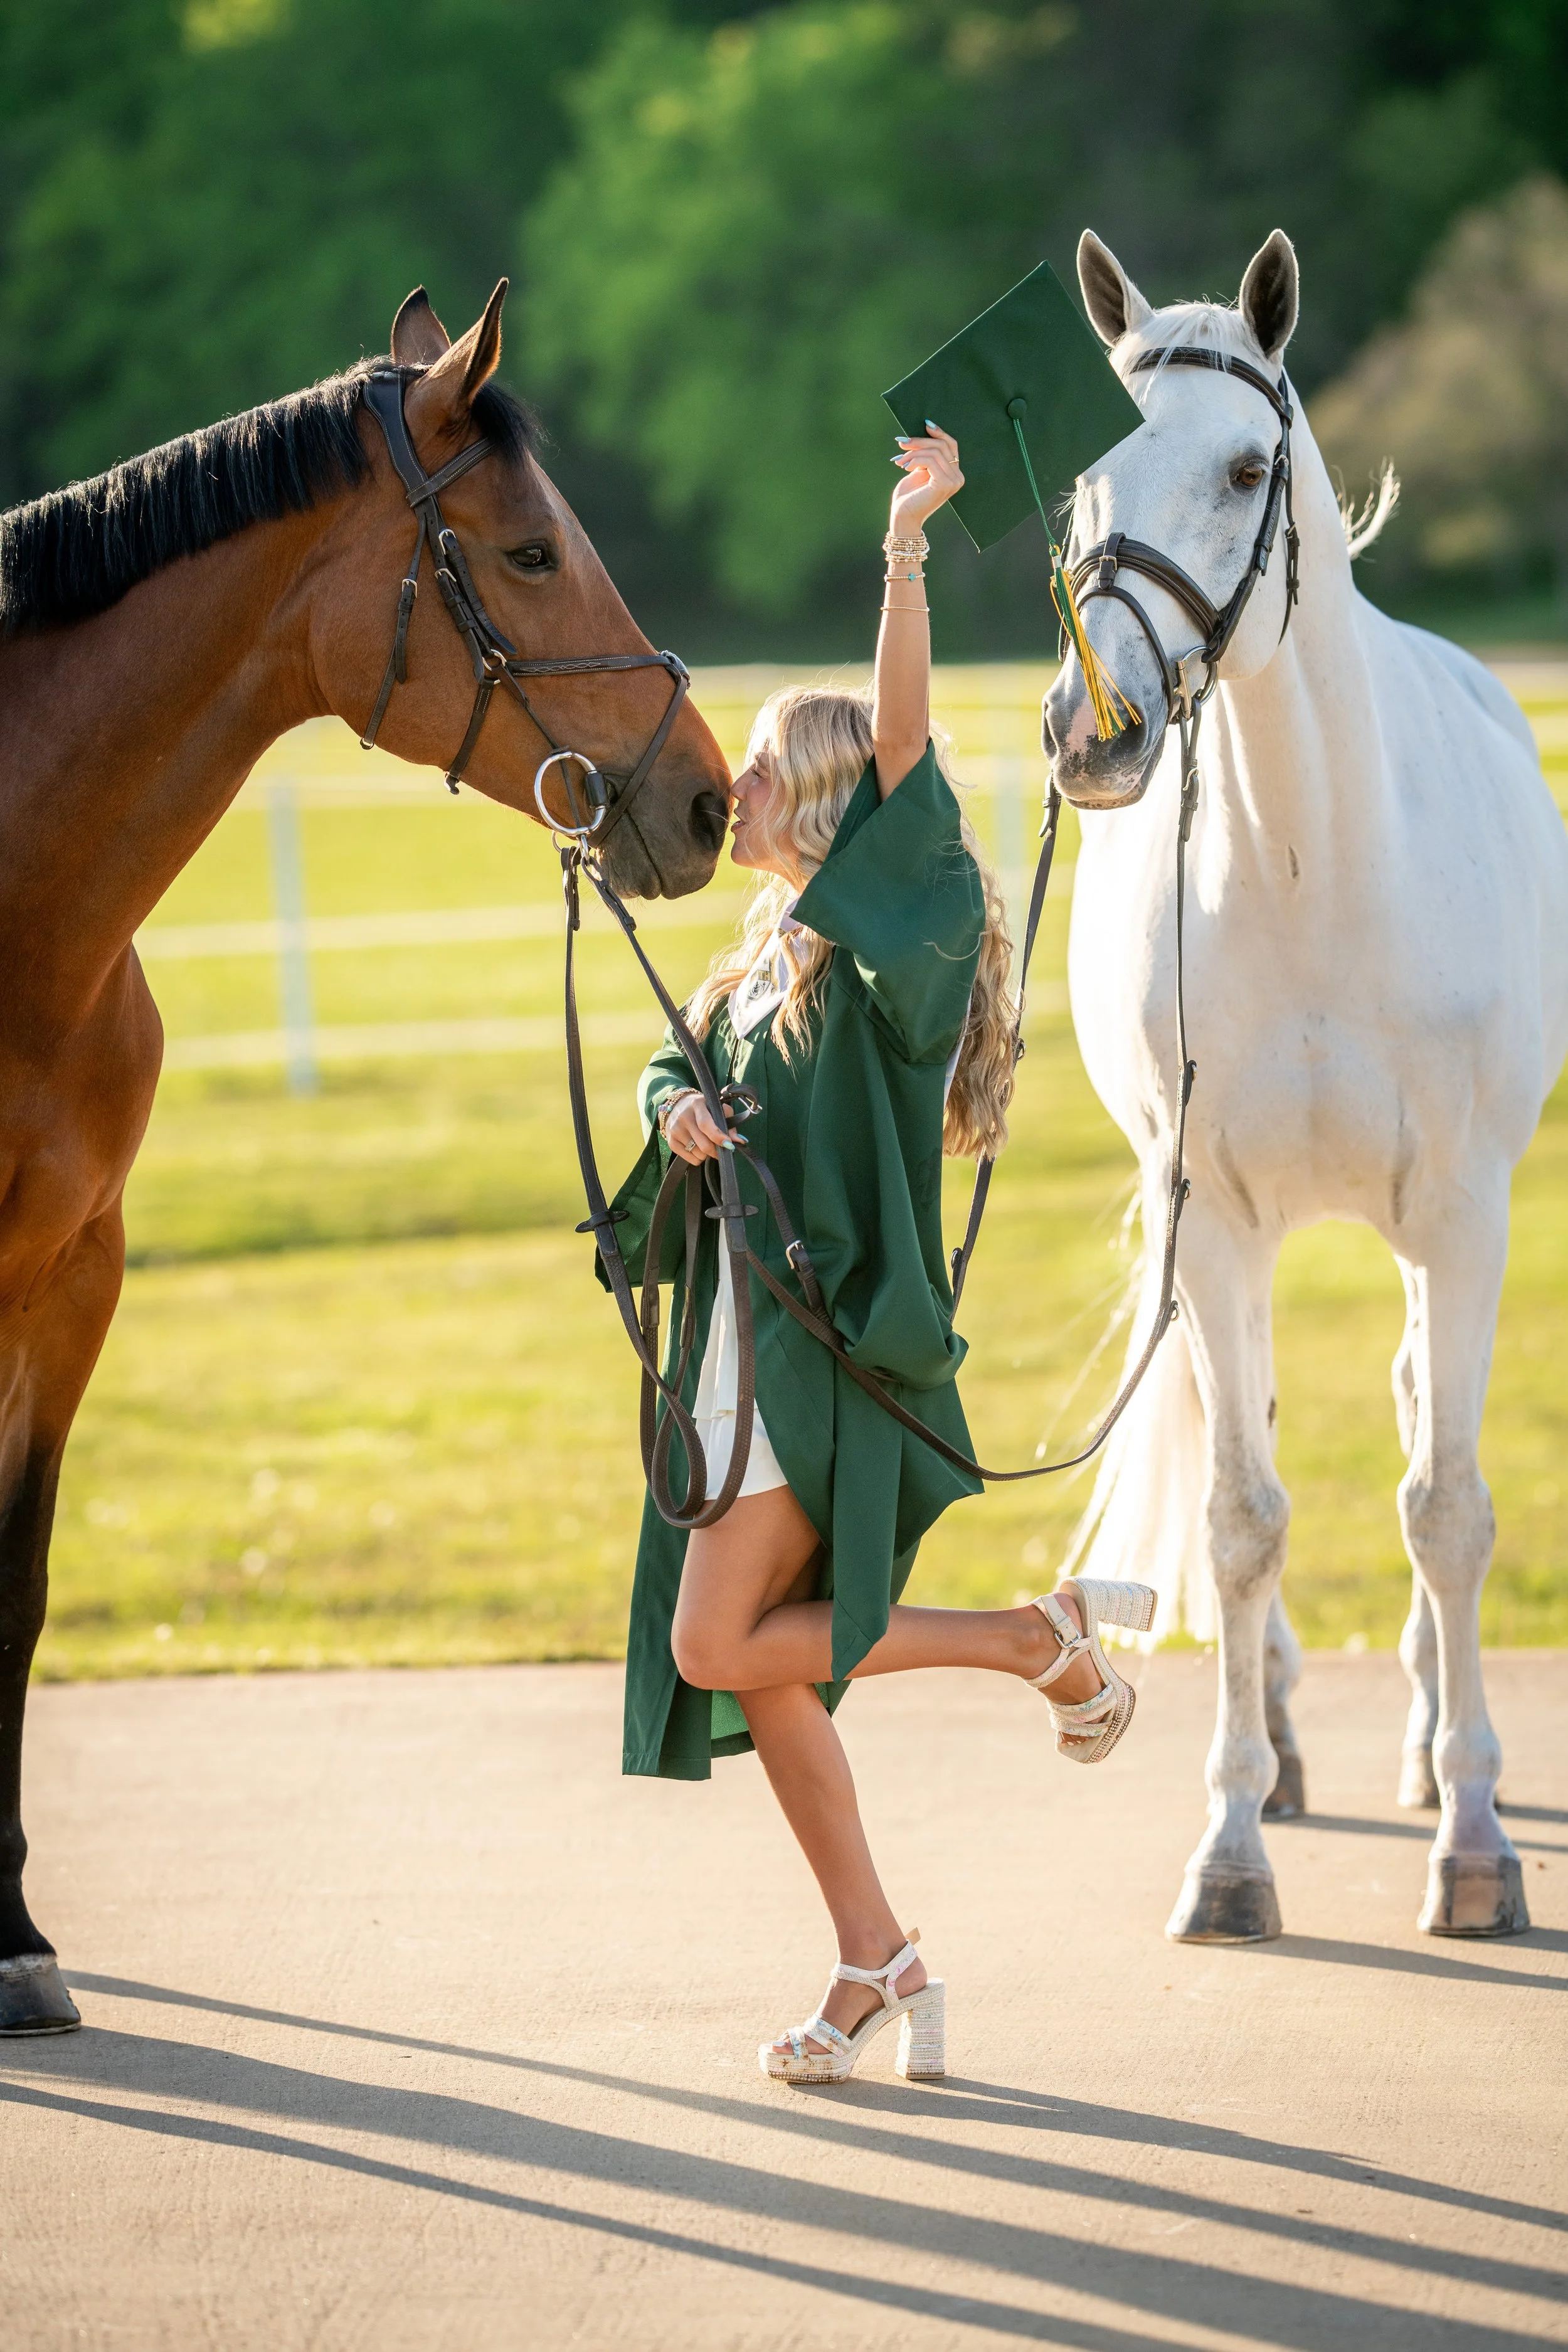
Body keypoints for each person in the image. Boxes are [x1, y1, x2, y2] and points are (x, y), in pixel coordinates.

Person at [601, 421, 1154, 2085]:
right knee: (771, 1678)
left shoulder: (885, 958)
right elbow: (674, 1065)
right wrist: (673, 1112)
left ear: (838, 807)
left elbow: (906, 740)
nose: (740, 789)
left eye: (769, 769)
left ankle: (1027, 1639)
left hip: (821, 1360)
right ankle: (875, 1960)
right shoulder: (762, 957)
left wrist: (907, 548)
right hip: (733, 1355)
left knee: (718, 1646)